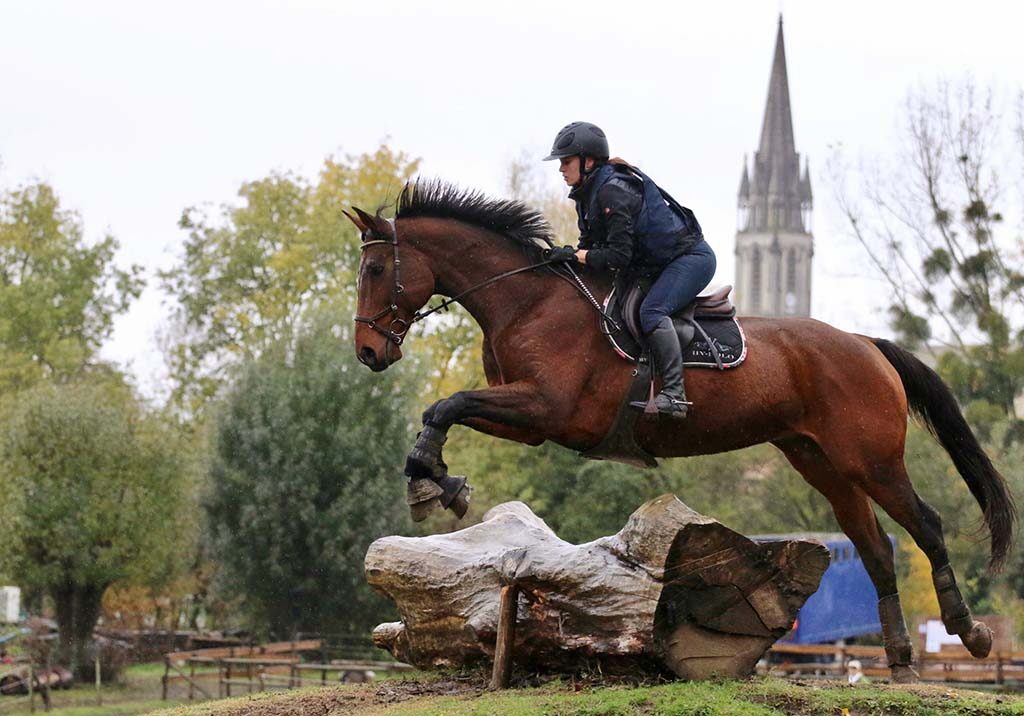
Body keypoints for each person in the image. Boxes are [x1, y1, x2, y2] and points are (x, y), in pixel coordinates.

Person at [543, 121, 716, 418]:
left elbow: (618, 257)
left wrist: (577, 256)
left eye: (566, 161)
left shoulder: (612, 191)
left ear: (588, 161)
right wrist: (569, 258)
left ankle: (675, 395)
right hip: (656, 265)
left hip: (690, 260)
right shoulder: (588, 196)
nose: (561, 168)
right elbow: (591, 248)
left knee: (651, 312)